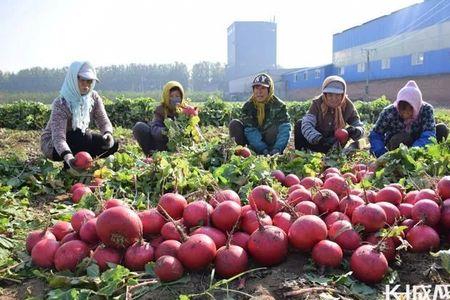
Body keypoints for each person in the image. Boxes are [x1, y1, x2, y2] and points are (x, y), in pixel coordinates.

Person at [40, 61, 118, 173]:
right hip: (53, 145)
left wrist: (108, 133)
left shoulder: (93, 98)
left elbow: (103, 120)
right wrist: (68, 157)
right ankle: (70, 167)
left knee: (112, 145)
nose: (86, 85)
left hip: (80, 138)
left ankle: (84, 162)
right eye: (82, 80)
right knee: (82, 137)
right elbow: (58, 137)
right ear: (73, 79)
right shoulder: (61, 103)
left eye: (89, 81)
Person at [369, 80, 449, 157]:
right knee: (402, 137)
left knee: (441, 129)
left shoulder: (426, 109)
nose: (404, 115)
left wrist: (414, 151)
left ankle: (425, 154)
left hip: (419, 141)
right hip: (397, 142)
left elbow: (428, 134)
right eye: (402, 110)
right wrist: (380, 152)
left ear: (416, 106)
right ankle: (398, 157)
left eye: (408, 111)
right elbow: (376, 134)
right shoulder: (389, 112)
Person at [294, 75, 364, 153]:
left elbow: (358, 124)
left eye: (338, 95)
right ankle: (301, 153)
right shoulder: (317, 103)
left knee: (346, 133)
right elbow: (307, 123)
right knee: (300, 124)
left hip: (334, 143)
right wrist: (319, 139)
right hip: (317, 141)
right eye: (330, 95)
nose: (334, 99)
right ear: (325, 94)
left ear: (343, 95)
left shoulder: (347, 105)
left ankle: (335, 153)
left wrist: (357, 131)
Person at [229, 73, 291, 155]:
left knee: (276, 128)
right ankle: (241, 153)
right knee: (234, 124)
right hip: (254, 142)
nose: (259, 92)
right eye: (256, 88)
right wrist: (262, 149)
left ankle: (273, 152)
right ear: (253, 90)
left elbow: (285, 129)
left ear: (269, 90)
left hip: (271, 142)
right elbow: (250, 130)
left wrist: (277, 149)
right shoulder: (248, 106)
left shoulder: (279, 106)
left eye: (263, 88)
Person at [133, 81, 189, 155]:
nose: (174, 99)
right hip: (161, 145)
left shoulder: (186, 110)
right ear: (166, 97)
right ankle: (151, 155)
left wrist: (184, 131)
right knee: (139, 127)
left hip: (180, 147)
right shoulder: (160, 110)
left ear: (181, 97)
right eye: (171, 96)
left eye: (177, 96)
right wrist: (167, 131)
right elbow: (155, 128)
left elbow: (195, 131)